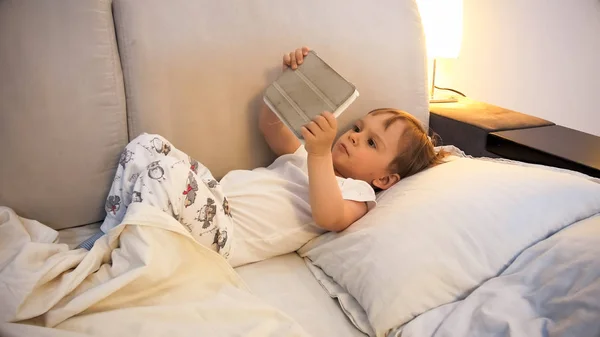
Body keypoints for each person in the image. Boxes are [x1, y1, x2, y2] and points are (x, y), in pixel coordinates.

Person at [79, 46, 446, 267]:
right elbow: (272, 127)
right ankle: (113, 232)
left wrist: (319, 154)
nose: (353, 137)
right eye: (357, 129)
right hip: (212, 199)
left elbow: (329, 215)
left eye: (370, 143)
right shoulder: (304, 156)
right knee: (148, 145)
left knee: (164, 173)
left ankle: (116, 249)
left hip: (226, 236)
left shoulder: (356, 194)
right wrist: (289, 83)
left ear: (384, 180)